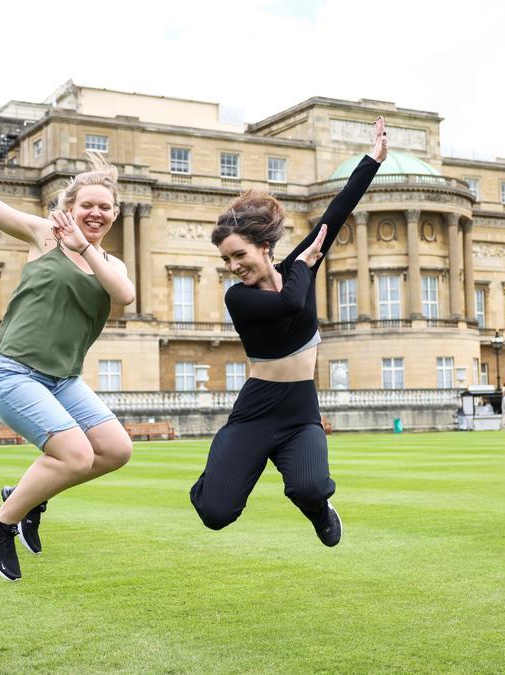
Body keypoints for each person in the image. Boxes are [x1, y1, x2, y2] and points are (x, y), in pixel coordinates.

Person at [0, 111, 135, 581]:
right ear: (67, 207)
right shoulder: (44, 236)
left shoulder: (112, 262)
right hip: (14, 373)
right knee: (75, 455)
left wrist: (85, 248)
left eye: (105, 208)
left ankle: (26, 497)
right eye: (87, 204)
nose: (96, 213)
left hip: (63, 380)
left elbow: (124, 297)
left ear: (114, 214)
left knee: (115, 450)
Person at [189, 117, 388, 546]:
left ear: (263, 245)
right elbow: (289, 303)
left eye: (238, 254)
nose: (234, 266)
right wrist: (303, 264)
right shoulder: (238, 298)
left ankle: (320, 511)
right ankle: (216, 477)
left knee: (310, 487)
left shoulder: (297, 267)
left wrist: (372, 160)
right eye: (226, 260)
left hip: (300, 409)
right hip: (257, 409)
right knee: (215, 513)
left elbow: (335, 214)